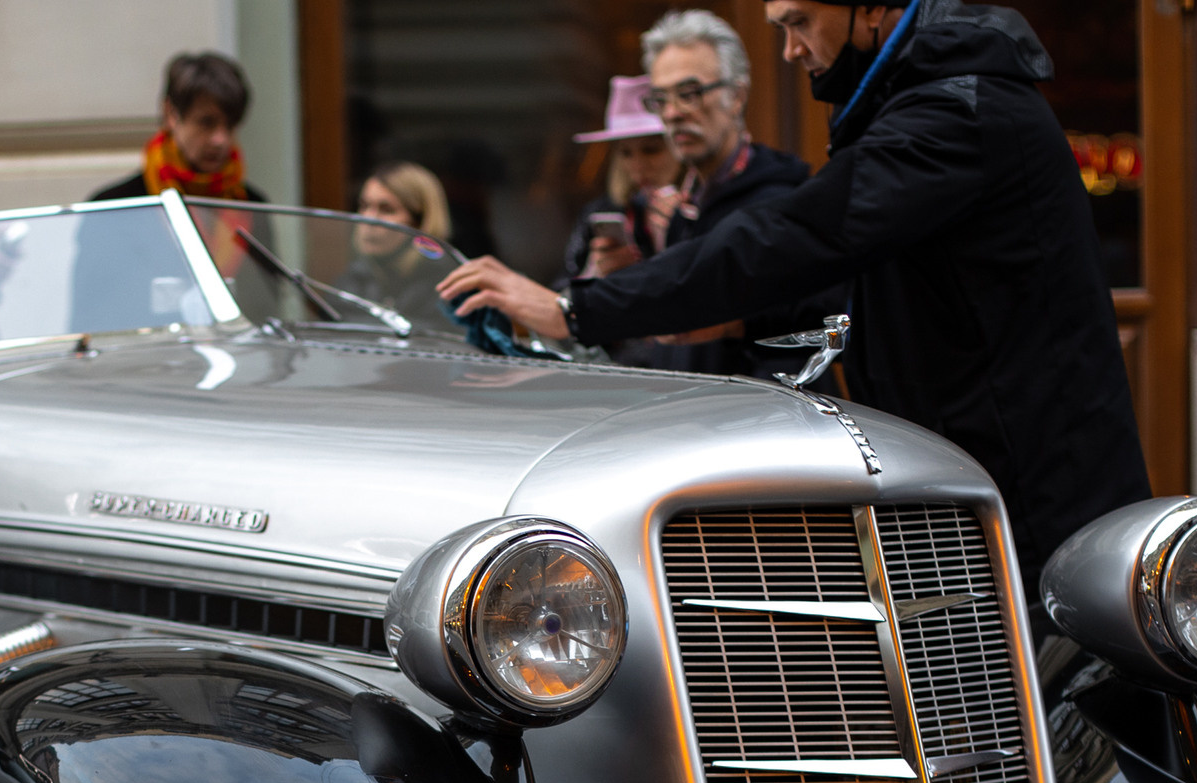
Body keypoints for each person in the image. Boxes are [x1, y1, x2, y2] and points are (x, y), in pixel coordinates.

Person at [439, 0, 1150, 588]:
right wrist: (738, 310)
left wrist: (576, 308)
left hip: (1030, 498)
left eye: (799, 22)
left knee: (1059, 735)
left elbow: (799, 235)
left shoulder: (956, 113)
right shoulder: (929, 99)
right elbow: (869, 282)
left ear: (872, 8)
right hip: (973, 483)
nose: (788, 49)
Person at [629, 10, 817, 378]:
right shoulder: (682, 208)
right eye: (660, 99)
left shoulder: (778, 202)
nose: (673, 113)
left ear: (737, 95)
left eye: (689, 94)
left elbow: (794, 343)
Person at [91, 53, 269, 204]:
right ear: (171, 114)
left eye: (230, 125)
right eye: (206, 122)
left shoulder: (252, 205)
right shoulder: (115, 205)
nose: (220, 140)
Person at [556, 76, 682, 289]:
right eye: (625, 152)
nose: (637, 165)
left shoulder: (704, 210)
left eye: (651, 150)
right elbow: (559, 293)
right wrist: (592, 275)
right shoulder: (599, 213)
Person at [337, 163, 459, 332]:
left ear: (419, 221)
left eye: (386, 210)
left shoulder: (448, 287)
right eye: (364, 206)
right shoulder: (355, 278)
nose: (369, 220)